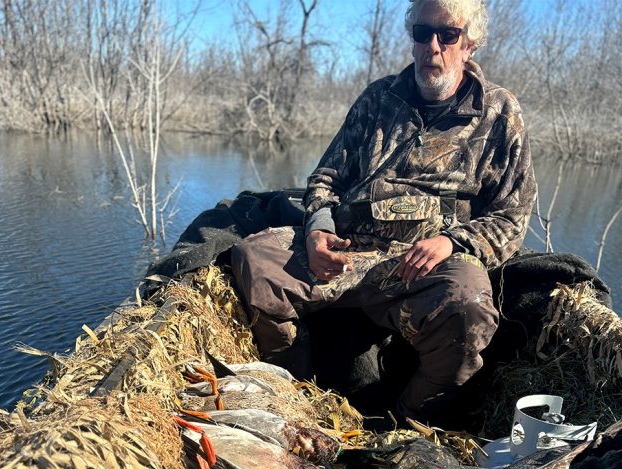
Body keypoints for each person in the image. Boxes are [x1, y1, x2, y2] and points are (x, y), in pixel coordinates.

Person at [230, 0, 537, 427]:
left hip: (425, 267)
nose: (433, 45)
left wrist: (451, 242)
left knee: (469, 309)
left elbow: (512, 216)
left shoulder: (500, 113)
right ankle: (297, 398)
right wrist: (318, 230)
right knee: (255, 262)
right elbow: (325, 179)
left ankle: (405, 424)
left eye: (447, 35)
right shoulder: (378, 99)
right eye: (422, 33)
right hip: (348, 252)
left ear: (470, 45)